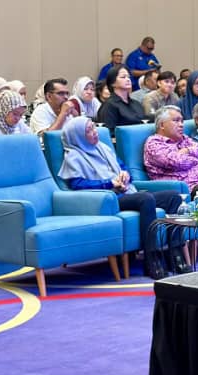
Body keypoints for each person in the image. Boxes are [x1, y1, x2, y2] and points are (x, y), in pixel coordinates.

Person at [57, 116, 183, 279]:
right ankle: (151, 259)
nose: (95, 132)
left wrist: (125, 175)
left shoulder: (103, 147)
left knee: (173, 197)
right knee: (145, 199)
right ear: (78, 136)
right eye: (89, 130)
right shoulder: (73, 156)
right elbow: (77, 184)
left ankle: (175, 254)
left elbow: (122, 167)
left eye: (94, 127)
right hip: (108, 199)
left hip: (126, 191)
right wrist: (109, 184)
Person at [96, 66, 145, 131]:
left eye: (128, 77)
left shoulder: (137, 104)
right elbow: (108, 132)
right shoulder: (109, 106)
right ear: (112, 83)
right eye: (123, 77)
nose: (128, 79)